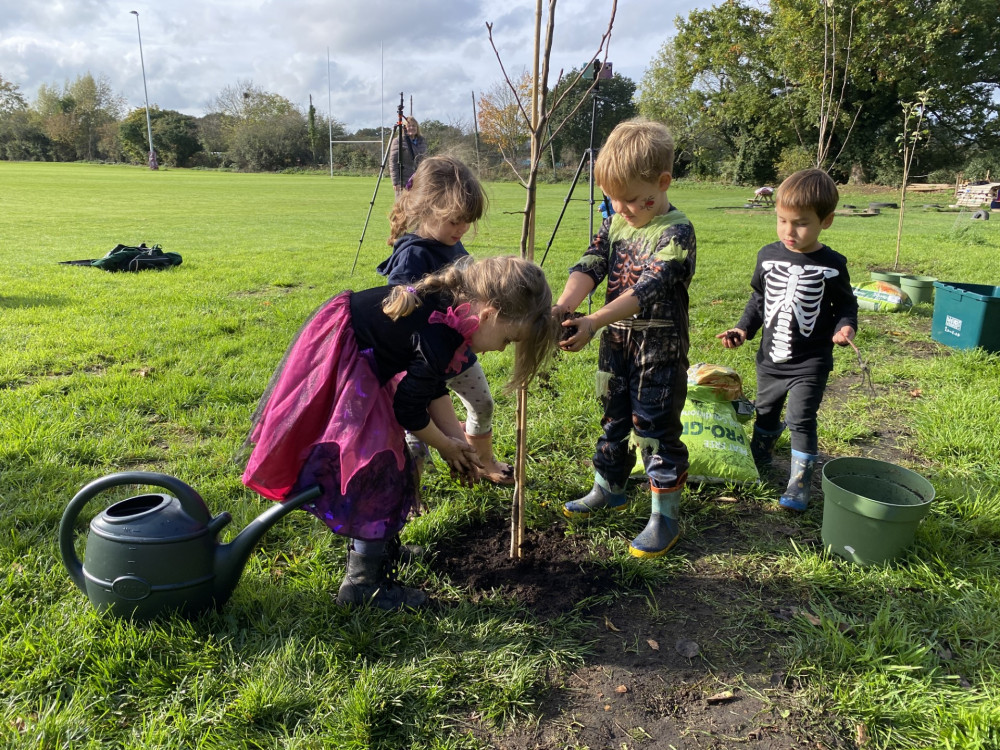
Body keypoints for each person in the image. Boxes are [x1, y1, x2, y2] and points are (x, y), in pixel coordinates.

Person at [242, 256, 556, 610]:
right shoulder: (439, 336)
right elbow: (408, 410)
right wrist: (447, 448)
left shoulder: (451, 310)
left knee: (392, 464)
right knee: (378, 471)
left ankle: (379, 547)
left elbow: (431, 388)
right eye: (509, 339)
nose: (502, 349)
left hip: (360, 356)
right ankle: (362, 584)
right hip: (347, 367)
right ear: (490, 314)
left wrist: (455, 440)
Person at [553, 118, 697, 559]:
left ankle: (664, 516)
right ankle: (609, 486)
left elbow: (648, 287)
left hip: (659, 350)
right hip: (615, 345)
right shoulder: (617, 222)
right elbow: (593, 261)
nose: (620, 208)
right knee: (614, 418)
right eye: (611, 198)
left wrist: (593, 320)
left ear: (663, 182)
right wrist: (563, 307)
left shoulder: (676, 232)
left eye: (632, 199)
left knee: (653, 427)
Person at [716, 168, 858, 512]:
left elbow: (847, 303)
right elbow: (758, 299)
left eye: (800, 223)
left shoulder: (833, 264)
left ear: (827, 221)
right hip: (770, 360)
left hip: (811, 361)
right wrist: (742, 330)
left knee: (801, 418)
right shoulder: (768, 256)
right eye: (781, 221)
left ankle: (799, 482)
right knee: (765, 413)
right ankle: (759, 457)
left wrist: (846, 326)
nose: (789, 232)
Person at [378, 155, 515, 484]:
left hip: (458, 351)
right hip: (423, 358)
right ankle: (412, 490)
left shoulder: (453, 242)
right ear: (427, 209)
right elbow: (397, 307)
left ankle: (483, 462)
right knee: (416, 432)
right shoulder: (413, 253)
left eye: (467, 221)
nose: (462, 229)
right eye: (455, 220)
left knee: (482, 403)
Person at [389, 116, 427, 198]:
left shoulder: (422, 141)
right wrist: (396, 182)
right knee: (403, 207)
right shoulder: (398, 141)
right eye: (409, 126)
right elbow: (393, 163)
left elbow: (424, 160)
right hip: (404, 181)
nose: (412, 128)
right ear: (405, 128)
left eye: (414, 126)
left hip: (419, 180)